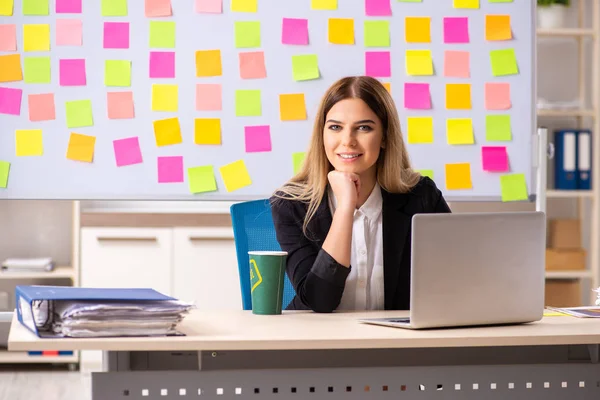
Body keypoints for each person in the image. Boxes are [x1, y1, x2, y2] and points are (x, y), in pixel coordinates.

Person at [270, 76, 451, 313]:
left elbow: (457, 277)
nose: (347, 141)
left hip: (398, 343)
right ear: (322, 134)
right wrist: (346, 208)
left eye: (364, 128)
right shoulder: (290, 204)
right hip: (317, 341)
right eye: (335, 127)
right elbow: (318, 301)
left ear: (385, 136)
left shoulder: (421, 196)